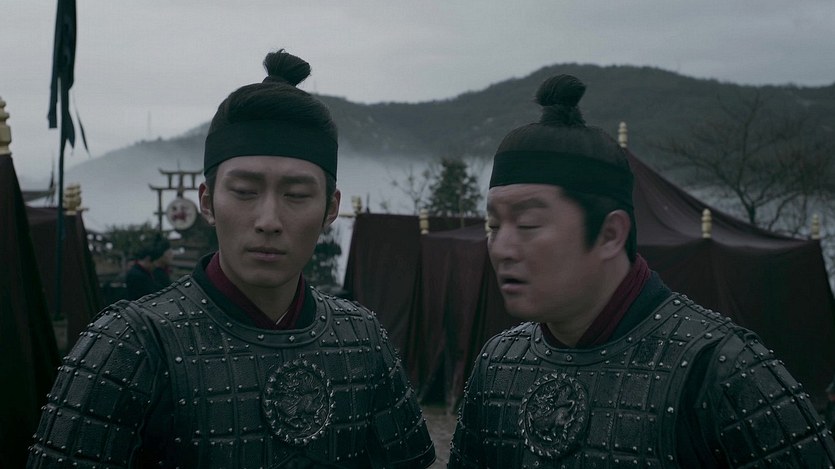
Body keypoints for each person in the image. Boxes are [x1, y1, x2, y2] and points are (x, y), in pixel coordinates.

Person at [28, 49, 435, 468]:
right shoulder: (129, 343)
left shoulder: (363, 340)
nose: (268, 220)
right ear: (207, 202)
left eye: (296, 195)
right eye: (244, 192)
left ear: (330, 209)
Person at [448, 74, 835, 467]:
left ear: (610, 234)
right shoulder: (498, 363)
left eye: (528, 224)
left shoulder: (722, 369)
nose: (502, 248)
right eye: (493, 225)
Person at [125, 233, 173, 300]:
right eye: (154, 263)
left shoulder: (142, 273)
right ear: (148, 259)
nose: (155, 266)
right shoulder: (137, 276)